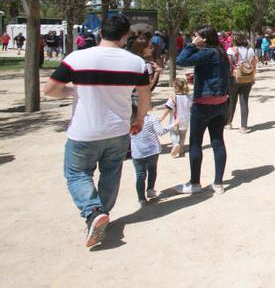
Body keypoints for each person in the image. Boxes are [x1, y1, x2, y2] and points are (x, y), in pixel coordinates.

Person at [43, 14, 151, 248]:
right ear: (125, 37)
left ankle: (93, 212)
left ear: (101, 32)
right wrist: (140, 119)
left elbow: (50, 89)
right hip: (118, 129)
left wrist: (72, 92)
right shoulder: (136, 63)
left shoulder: (77, 58)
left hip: (85, 130)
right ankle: (101, 214)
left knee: (76, 174)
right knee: (111, 174)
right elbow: (144, 95)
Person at [175, 25, 230, 195]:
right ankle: (218, 183)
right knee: (217, 141)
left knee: (195, 143)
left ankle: (195, 182)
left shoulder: (208, 52)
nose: (193, 38)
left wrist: (191, 45)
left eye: (196, 35)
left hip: (204, 103)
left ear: (204, 38)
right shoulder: (221, 52)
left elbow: (181, 61)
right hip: (221, 101)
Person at [130, 107, 174, 207]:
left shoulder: (128, 122)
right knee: (152, 169)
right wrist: (173, 124)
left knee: (140, 175)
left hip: (138, 153)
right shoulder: (151, 119)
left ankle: (141, 199)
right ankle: (150, 189)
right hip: (153, 150)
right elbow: (161, 132)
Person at [227, 33, 257, 133]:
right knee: (244, 102)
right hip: (248, 78)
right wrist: (253, 77)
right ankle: (244, 126)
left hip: (235, 78)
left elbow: (229, 65)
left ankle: (229, 122)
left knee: (232, 101)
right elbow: (254, 65)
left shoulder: (231, 50)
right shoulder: (250, 50)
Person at [159, 78, 192, 158]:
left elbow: (168, 108)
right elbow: (191, 108)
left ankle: (175, 144)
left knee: (173, 134)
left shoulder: (174, 98)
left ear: (176, 87)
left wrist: (162, 117)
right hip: (185, 120)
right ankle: (181, 149)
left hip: (175, 120)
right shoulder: (189, 97)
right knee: (182, 135)